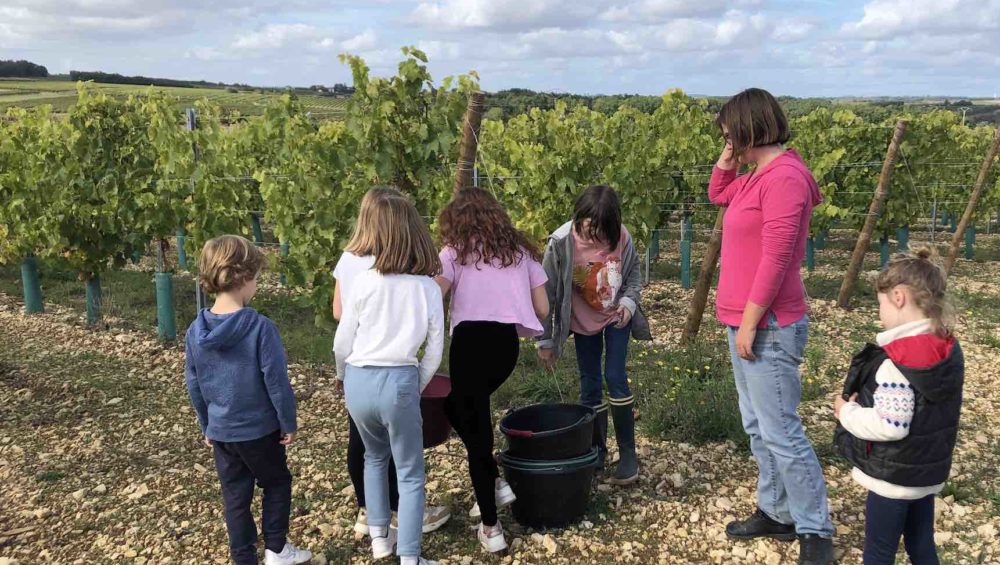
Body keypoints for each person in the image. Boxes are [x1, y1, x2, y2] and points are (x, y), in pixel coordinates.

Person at [708, 87, 833, 565]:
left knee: (782, 430)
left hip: (769, 323)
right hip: (747, 321)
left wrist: (751, 322)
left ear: (747, 126)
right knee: (758, 425)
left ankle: (816, 530)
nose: (724, 135)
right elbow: (718, 192)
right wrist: (728, 157)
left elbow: (779, 257)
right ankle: (777, 511)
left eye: (728, 129)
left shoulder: (784, 177)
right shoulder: (758, 173)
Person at [184, 235, 312, 565]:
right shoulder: (260, 328)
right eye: (256, 278)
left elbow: (194, 383)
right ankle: (277, 550)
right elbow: (276, 382)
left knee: (236, 497)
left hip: (223, 432)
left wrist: (207, 424)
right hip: (259, 430)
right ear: (244, 278)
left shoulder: (194, 331)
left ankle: (244, 558)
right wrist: (288, 421)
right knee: (277, 482)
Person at [435, 188, 549, 553]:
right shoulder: (521, 252)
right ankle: (496, 483)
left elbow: (432, 294)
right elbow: (543, 309)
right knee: (465, 410)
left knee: (475, 430)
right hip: (505, 346)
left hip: (468, 343)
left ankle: (491, 526)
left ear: (457, 218)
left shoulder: (453, 252)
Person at [332, 187, 451, 537]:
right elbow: (434, 349)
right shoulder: (427, 287)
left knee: (372, 456)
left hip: (359, 378)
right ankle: (410, 554)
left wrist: (343, 374)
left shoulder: (364, 279)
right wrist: (418, 383)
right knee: (410, 470)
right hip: (399, 379)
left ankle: (379, 537)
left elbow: (342, 339)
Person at [834, 247, 964, 565]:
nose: (880, 313)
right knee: (921, 545)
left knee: (879, 553)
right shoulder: (948, 348)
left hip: (893, 479)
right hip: (926, 471)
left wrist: (846, 412)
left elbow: (891, 425)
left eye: (881, 304)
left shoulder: (898, 362)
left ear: (899, 297)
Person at [536, 184, 651, 486]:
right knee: (590, 383)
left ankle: (627, 454)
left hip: (616, 319)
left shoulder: (621, 237)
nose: (594, 235)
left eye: (601, 230)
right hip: (582, 321)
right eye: (589, 227)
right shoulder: (561, 243)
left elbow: (634, 276)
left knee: (615, 376)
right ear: (579, 217)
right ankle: (596, 449)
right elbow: (546, 292)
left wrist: (627, 304)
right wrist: (545, 341)